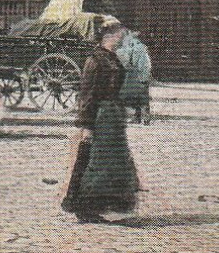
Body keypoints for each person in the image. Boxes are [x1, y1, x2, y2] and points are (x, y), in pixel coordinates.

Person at [62, 21, 141, 222]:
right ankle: (85, 208)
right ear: (109, 35)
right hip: (99, 116)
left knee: (112, 162)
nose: (123, 38)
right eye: (120, 35)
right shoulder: (95, 60)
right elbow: (87, 95)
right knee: (95, 163)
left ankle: (104, 205)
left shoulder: (111, 58)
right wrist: (86, 126)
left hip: (112, 117)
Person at [117, 29, 153, 125]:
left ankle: (140, 118)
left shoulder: (132, 46)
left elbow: (127, 60)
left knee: (139, 95)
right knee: (143, 96)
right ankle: (144, 118)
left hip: (138, 74)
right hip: (145, 73)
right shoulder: (142, 46)